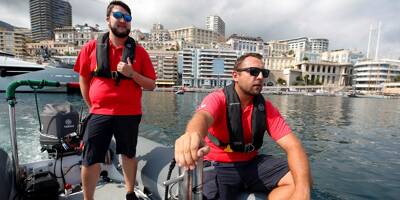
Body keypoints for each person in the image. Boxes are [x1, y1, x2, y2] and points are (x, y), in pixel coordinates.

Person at [174, 53, 311, 200]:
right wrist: (192, 135)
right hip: (219, 165)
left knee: (300, 179)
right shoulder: (218, 98)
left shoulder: (266, 108)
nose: (260, 77)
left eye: (263, 73)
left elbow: (293, 146)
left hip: (251, 164)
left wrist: (302, 192)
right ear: (235, 76)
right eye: (253, 71)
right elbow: (203, 117)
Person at [73, 1, 156, 200]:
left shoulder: (140, 52)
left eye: (127, 18)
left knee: (128, 154)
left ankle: (129, 192)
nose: (122, 21)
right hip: (99, 113)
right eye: (118, 16)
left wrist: (132, 73)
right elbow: (83, 79)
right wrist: (92, 106)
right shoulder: (91, 47)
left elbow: (151, 84)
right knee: (91, 159)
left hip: (129, 114)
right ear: (107, 19)